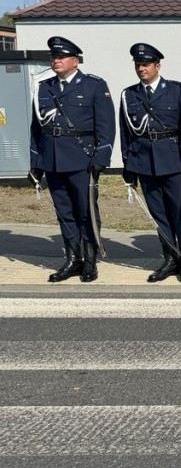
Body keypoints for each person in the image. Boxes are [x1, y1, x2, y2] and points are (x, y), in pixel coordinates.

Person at [29, 36, 116, 283]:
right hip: (52, 160)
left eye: (61, 57)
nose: (55, 60)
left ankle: (89, 260)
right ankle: (72, 259)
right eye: (53, 57)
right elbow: (37, 127)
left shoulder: (94, 86)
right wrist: (35, 163)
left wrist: (102, 157)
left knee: (85, 211)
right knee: (64, 213)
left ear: (75, 61)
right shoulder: (44, 87)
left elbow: (106, 126)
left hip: (82, 159)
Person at [119, 43, 181, 282]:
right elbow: (126, 134)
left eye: (145, 64)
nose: (141, 68)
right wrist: (128, 167)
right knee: (158, 215)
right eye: (137, 65)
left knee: (179, 213)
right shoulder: (129, 94)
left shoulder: (176, 90)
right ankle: (169, 259)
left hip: (174, 160)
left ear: (157, 66)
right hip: (144, 162)